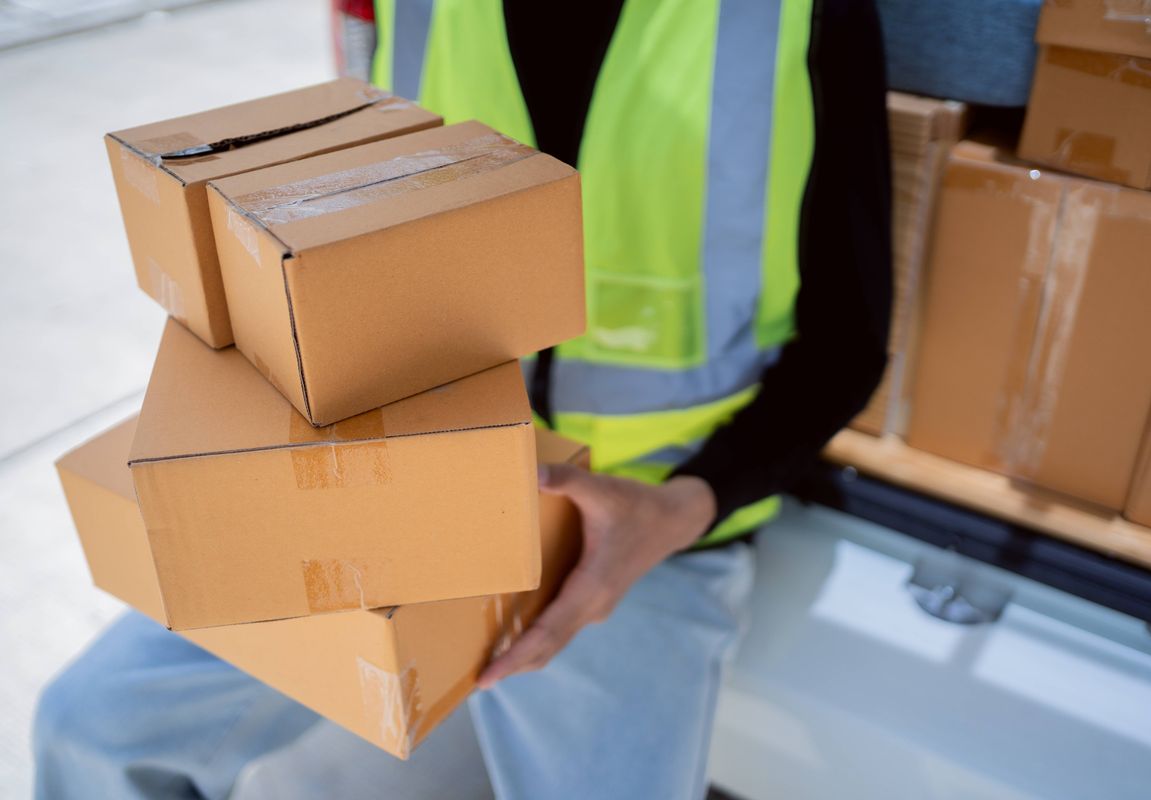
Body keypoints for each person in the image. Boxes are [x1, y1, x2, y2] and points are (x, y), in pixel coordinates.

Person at [33, 0, 891, 797]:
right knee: (88, 728)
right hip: (406, 490)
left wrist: (682, 508)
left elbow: (848, 344)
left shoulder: (790, 14)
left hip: (640, 537)